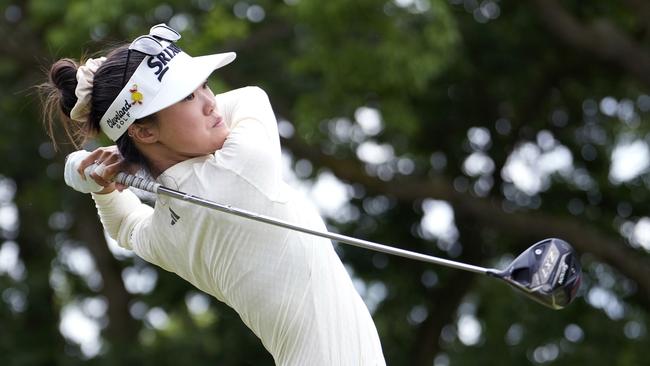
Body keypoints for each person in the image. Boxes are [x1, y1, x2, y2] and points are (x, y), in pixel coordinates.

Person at [41, 24, 386, 365]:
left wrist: (104, 185)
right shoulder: (241, 165)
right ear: (144, 130)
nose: (210, 104)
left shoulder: (171, 226)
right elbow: (252, 96)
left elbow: (127, 227)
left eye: (204, 86)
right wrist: (125, 164)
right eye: (187, 96)